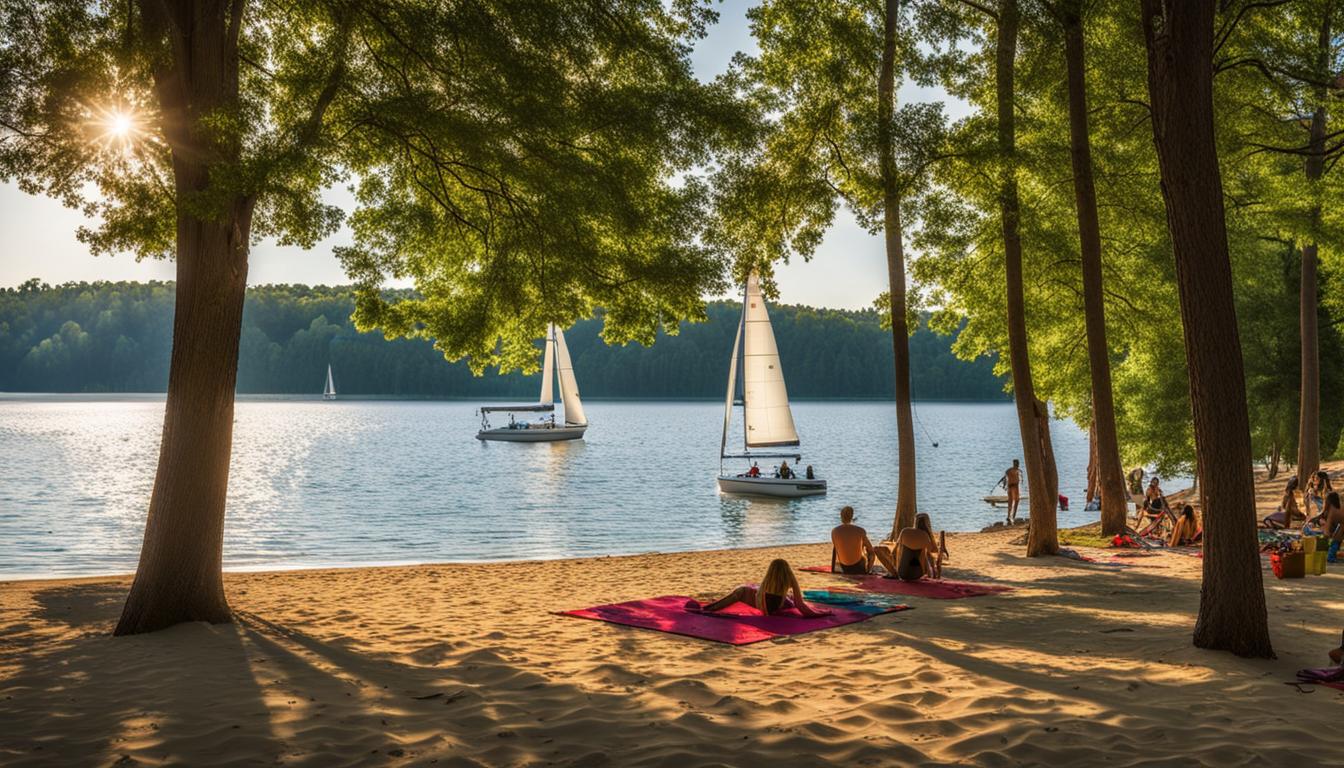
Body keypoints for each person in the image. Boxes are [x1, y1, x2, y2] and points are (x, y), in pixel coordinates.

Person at [687, 559, 829, 617]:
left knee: (741, 590)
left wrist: (819, 615)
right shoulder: (789, 578)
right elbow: (800, 604)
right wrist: (818, 614)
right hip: (779, 605)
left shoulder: (768, 580)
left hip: (766, 605)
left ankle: (709, 608)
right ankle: (711, 606)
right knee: (748, 588)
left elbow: (761, 598)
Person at [830, 506, 896, 575]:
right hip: (859, 568)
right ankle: (868, 571)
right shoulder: (860, 531)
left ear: (841, 516)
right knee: (872, 551)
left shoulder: (834, 531)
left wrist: (833, 569)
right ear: (852, 516)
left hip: (844, 567)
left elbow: (836, 551)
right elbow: (871, 551)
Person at [889, 513, 943, 582]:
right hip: (916, 574)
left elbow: (894, 551)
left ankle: (899, 569)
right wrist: (930, 535)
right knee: (925, 553)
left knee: (904, 549)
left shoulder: (905, 531)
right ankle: (933, 575)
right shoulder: (924, 535)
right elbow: (933, 552)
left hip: (901, 573)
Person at [999, 459, 1022, 524]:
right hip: (1013, 487)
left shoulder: (1011, 470)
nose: (1017, 465)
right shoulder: (1013, 470)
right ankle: (1012, 517)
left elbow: (1006, 475)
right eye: (1017, 464)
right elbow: (1008, 475)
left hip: (1011, 487)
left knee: (1012, 501)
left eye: (1017, 464)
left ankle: (1010, 516)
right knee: (1014, 501)